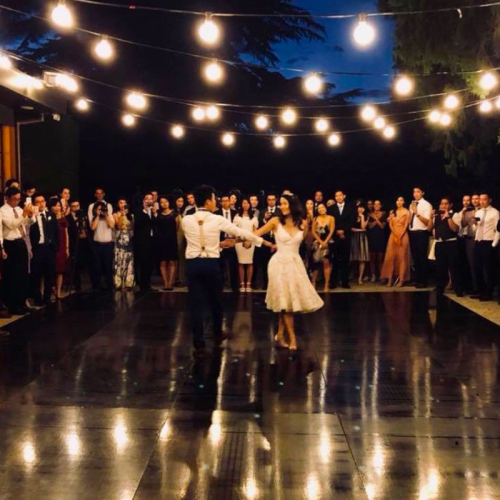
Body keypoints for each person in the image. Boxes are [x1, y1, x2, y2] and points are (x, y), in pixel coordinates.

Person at [182, 185, 268, 357]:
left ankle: (198, 343)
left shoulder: (186, 219)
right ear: (208, 201)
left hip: (192, 264)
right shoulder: (216, 219)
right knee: (216, 300)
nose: (217, 202)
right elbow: (239, 231)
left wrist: (218, 245)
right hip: (211, 263)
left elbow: (198, 240)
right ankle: (217, 333)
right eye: (214, 199)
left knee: (196, 304)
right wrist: (262, 241)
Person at [255, 194, 324, 351]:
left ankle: (280, 334)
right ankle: (292, 338)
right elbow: (255, 234)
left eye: (285, 203)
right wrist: (266, 243)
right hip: (278, 263)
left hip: (295, 262)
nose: (282, 206)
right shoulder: (275, 221)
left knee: (286, 300)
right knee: (286, 304)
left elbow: (306, 243)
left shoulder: (303, 223)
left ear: (293, 205)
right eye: (281, 204)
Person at [0, 187, 35, 314]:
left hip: (21, 241)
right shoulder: (2, 211)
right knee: (12, 275)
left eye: (18, 199)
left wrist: (30, 216)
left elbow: (28, 223)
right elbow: (12, 224)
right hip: (10, 244)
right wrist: (24, 214)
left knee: (23, 274)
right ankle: (13, 305)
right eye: (14, 199)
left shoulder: (20, 209)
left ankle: (22, 302)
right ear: (7, 198)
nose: (16, 202)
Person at [428, 197, 463, 296]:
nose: (443, 206)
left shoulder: (454, 215)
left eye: (446, 204)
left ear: (450, 205)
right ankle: (440, 287)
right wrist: (431, 218)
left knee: (454, 267)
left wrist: (448, 217)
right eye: (442, 204)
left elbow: (455, 229)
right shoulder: (436, 215)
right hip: (439, 243)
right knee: (440, 267)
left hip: (451, 243)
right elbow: (429, 228)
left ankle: (458, 288)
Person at [30, 193, 59, 306]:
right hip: (37, 248)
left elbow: (56, 232)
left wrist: (55, 246)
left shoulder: (51, 214)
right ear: (33, 203)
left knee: (49, 274)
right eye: (37, 201)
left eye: (42, 201)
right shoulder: (32, 216)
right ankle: (37, 298)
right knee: (36, 274)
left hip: (50, 248)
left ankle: (47, 297)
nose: (41, 203)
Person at [472, 192, 499, 301]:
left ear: (489, 200)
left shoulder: (495, 212)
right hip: (478, 241)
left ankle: (489, 292)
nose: (482, 201)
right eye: (480, 199)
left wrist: (493, 244)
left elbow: (498, 230)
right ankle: (481, 290)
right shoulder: (478, 212)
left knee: (488, 268)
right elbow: (475, 229)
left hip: (489, 242)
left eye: (484, 199)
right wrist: (474, 224)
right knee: (476, 267)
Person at [381, 197, 411, 287]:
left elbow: (406, 225)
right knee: (390, 257)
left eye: (401, 200)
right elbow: (390, 224)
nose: (399, 202)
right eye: (398, 200)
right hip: (393, 235)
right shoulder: (392, 212)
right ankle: (390, 278)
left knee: (402, 258)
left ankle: (401, 279)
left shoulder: (407, 212)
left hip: (403, 235)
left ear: (404, 202)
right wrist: (395, 234)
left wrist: (400, 235)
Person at [330, 191, 357, 289]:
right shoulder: (331, 208)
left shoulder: (351, 207)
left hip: (346, 236)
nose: (338, 197)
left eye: (340, 195)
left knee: (345, 260)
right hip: (335, 236)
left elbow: (352, 220)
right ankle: (333, 282)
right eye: (336, 196)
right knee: (335, 259)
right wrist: (337, 231)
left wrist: (343, 231)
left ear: (344, 196)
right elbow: (330, 222)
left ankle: (345, 282)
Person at [255, 193, 282, 289]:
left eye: (273, 199)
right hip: (265, 241)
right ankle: (266, 285)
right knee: (265, 264)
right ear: (267, 201)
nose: (271, 201)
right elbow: (258, 228)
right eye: (269, 199)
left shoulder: (280, 211)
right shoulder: (262, 212)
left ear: (276, 200)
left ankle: (277, 285)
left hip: (278, 240)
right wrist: (264, 219)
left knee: (278, 265)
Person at [89, 199, 115, 292]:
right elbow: (92, 227)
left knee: (108, 266)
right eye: (98, 209)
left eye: (102, 209)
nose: (100, 211)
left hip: (108, 245)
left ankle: (109, 286)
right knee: (97, 266)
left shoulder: (110, 216)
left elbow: (112, 225)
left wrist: (106, 215)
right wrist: (97, 216)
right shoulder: (94, 217)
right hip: (97, 245)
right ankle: (97, 286)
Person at [409, 186, 433, 288]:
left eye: (418, 192)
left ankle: (424, 280)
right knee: (415, 257)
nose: (415, 194)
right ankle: (416, 278)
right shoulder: (412, 204)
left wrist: (416, 213)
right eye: (414, 192)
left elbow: (428, 222)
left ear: (422, 193)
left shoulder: (426, 205)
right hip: (413, 232)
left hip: (422, 233)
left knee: (422, 257)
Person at [233, 197, 259, 292]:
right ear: (241, 204)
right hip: (239, 241)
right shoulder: (237, 217)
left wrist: (250, 240)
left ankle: (248, 283)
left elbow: (255, 231)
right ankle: (241, 283)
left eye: (247, 203)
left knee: (249, 262)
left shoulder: (254, 217)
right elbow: (234, 230)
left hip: (250, 241)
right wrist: (241, 239)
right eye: (244, 203)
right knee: (240, 262)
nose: (246, 205)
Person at [135, 192, 158, 292]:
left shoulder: (154, 211)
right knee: (143, 264)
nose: (149, 200)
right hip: (143, 241)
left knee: (150, 264)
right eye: (147, 198)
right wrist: (145, 210)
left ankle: (148, 285)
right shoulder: (139, 211)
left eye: (151, 198)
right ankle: (143, 286)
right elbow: (139, 224)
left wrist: (155, 213)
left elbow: (157, 224)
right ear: (144, 200)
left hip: (152, 240)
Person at [215, 194, 239, 291]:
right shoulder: (216, 213)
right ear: (221, 202)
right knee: (220, 266)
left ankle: (234, 286)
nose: (225, 202)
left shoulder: (235, 213)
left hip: (233, 242)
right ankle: (220, 286)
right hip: (220, 242)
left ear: (230, 201)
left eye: (227, 200)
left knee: (233, 265)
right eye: (223, 201)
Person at [67, 200, 91, 292]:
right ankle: (77, 284)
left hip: (85, 240)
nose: (75, 208)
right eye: (73, 206)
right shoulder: (68, 218)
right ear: (70, 207)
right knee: (75, 263)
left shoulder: (83, 216)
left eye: (77, 205)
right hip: (74, 241)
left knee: (87, 261)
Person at [157, 196, 180, 291]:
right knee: (162, 262)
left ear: (169, 202)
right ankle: (165, 283)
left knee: (171, 261)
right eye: (162, 202)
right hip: (161, 241)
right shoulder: (158, 215)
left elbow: (178, 227)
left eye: (166, 201)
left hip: (172, 240)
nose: (164, 204)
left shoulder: (175, 214)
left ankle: (170, 283)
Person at [311, 203, 335, 291]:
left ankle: (326, 284)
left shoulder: (331, 218)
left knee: (327, 263)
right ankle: (313, 282)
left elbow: (332, 230)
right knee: (315, 263)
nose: (321, 209)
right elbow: (313, 231)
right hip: (317, 242)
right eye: (319, 208)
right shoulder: (315, 219)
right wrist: (320, 241)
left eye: (323, 207)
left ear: (326, 208)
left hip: (328, 242)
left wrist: (325, 242)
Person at [48, 199, 69, 299]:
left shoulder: (63, 218)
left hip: (62, 245)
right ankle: (47, 290)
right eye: (55, 206)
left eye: (59, 206)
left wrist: (67, 248)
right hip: (52, 246)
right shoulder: (48, 218)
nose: (57, 208)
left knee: (60, 270)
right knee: (50, 269)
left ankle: (58, 292)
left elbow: (66, 233)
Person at [113, 198, 135, 290]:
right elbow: (118, 226)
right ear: (118, 205)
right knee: (119, 260)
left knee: (128, 261)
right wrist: (122, 215)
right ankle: (118, 283)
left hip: (129, 240)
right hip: (119, 239)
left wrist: (127, 216)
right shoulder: (115, 214)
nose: (122, 205)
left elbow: (132, 227)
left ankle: (128, 283)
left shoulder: (131, 215)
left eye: (124, 203)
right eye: (120, 203)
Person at [460, 193, 480, 293]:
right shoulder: (469, 212)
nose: (475, 201)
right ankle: (475, 287)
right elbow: (463, 225)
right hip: (470, 239)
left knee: (481, 264)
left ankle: (483, 288)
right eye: (473, 199)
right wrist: (463, 213)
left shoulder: (483, 211)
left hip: (481, 240)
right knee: (471, 264)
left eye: (477, 199)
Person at [367, 200, 387, 282]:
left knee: (380, 258)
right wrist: (377, 220)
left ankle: (381, 275)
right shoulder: (369, 214)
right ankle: (373, 275)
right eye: (375, 204)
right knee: (372, 258)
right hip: (372, 237)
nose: (376, 205)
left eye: (378, 204)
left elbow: (382, 226)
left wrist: (376, 219)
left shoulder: (384, 214)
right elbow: (370, 226)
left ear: (381, 206)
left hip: (381, 237)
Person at [351, 204, 370, 285]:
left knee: (362, 258)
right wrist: (360, 230)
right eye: (359, 207)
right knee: (352, 257)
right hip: (353, 237)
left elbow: (363, 226)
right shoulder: (352, 216)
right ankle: (351, 275)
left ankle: (360, 278)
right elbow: (351, 228)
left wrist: (362, 217)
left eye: (362, 207)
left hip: (362, 238)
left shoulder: (367, 217)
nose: (360, 209)